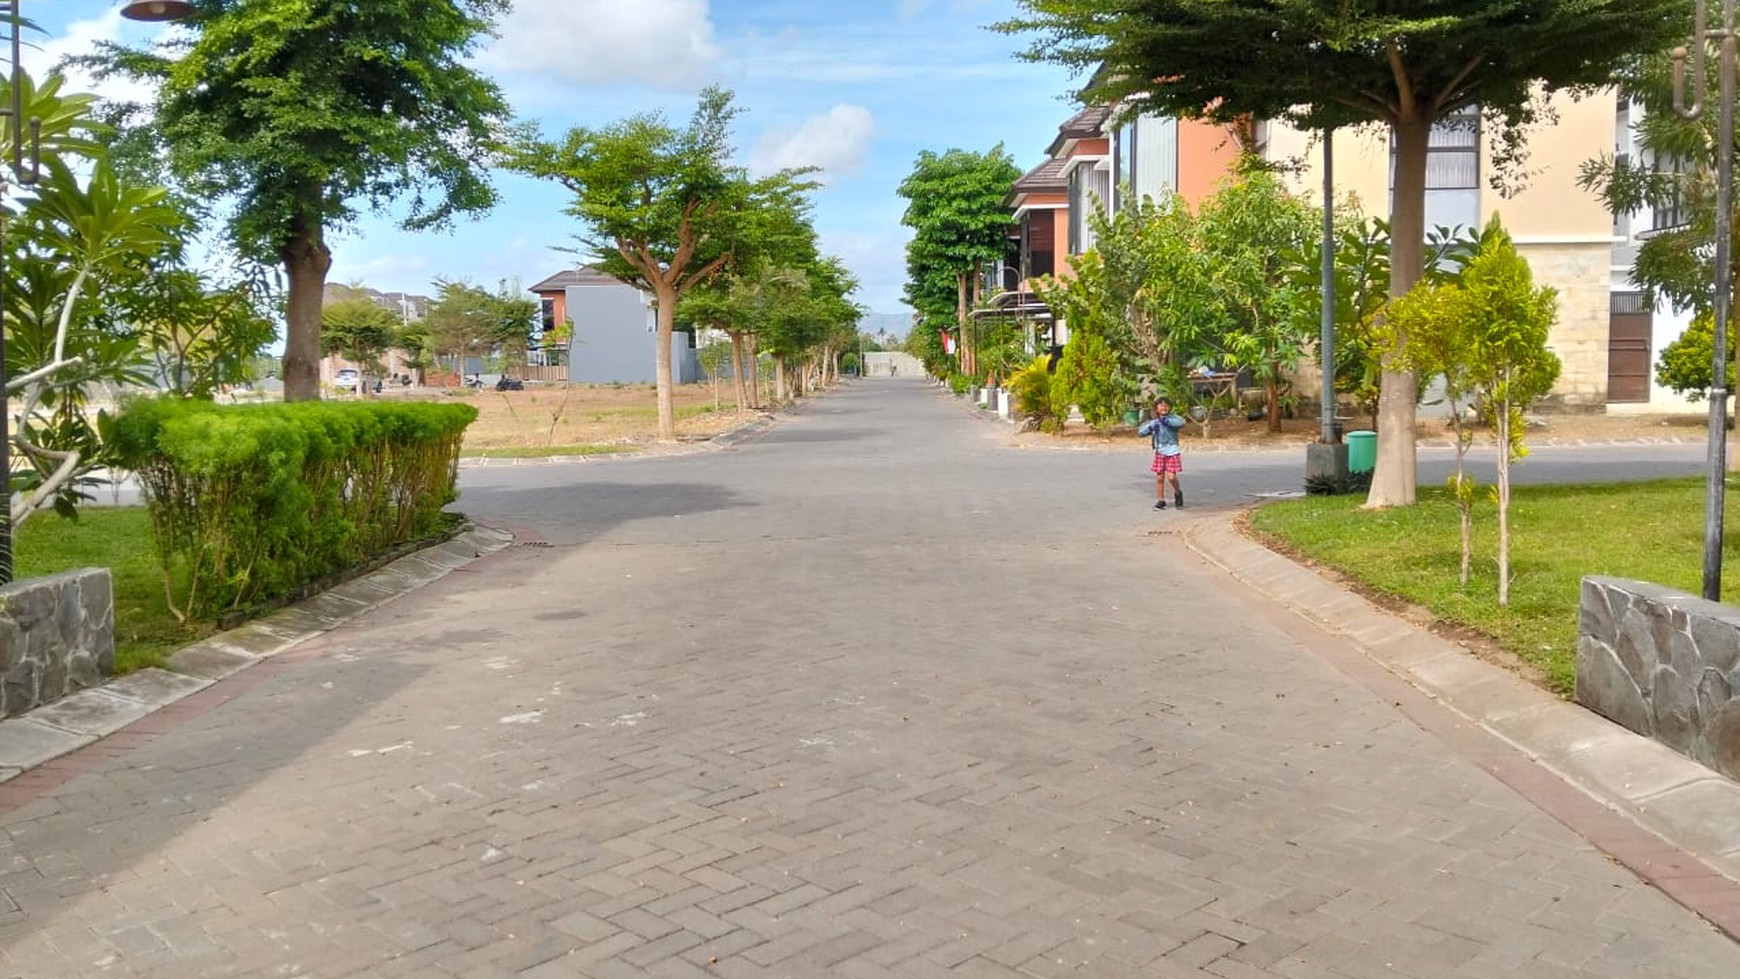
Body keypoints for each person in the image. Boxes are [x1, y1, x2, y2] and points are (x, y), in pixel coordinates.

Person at [1137, 397, 1187, 510]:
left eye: (1166, 405)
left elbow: (1181, 422)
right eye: (1161, 405)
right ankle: (1161, 500)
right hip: (1160, 451)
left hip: (1172, 451)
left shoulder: (1173, 418)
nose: (1164, 407)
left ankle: (1178, 492)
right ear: (1156, 408)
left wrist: (1167, 421)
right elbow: (1140, 432)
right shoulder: (1154, 421)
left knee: (1171, 477)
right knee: (1160, 477)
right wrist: (1150, 427)